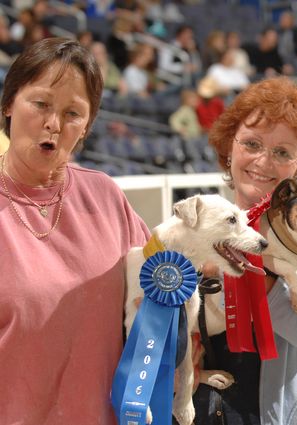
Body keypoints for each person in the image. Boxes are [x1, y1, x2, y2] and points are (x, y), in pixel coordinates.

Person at [0, 37, 149, 424]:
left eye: (72, 113)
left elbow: (161, 289)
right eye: (41, 104)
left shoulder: (106, 196)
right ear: (8, 105)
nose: (53, 124)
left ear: (86, 127)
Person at [192, 76, 297, 425]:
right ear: (229, 149)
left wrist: (252, 267)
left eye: (282, 152)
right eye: (251, 144)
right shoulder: (194, 230)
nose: (263, 162)